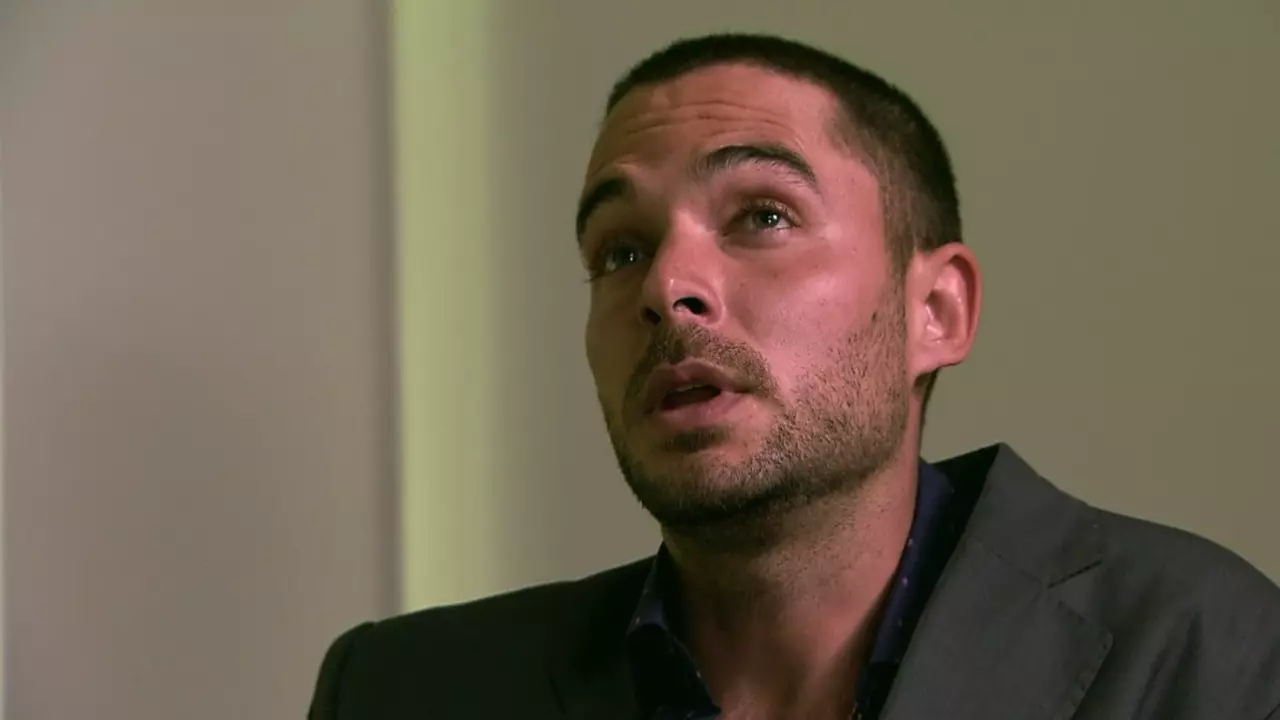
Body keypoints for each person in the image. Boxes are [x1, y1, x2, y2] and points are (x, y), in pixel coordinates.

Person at [308, 33, 1280, 720]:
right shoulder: (405, 691)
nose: (667, 289)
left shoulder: (1198, 651)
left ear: (934, 311)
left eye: (762, 217)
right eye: (619, 251)